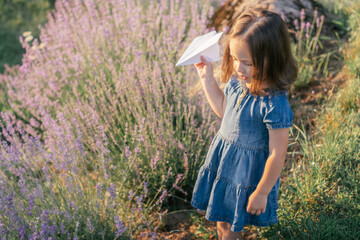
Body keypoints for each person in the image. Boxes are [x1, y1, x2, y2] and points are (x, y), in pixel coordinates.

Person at [191, 8, 297, 240]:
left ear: (273, 58)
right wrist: (206, 78)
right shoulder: (238, 83)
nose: (238, 68)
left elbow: (277, 154)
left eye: (247, 63)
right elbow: (223, 109)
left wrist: (262, 192)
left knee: (231, 227)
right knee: (222, 221)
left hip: (245, 174)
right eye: (235, 59)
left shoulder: (273, 104)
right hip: (225, 161)